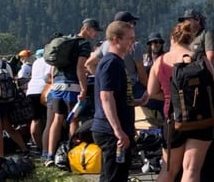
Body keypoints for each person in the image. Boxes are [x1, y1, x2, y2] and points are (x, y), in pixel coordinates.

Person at [148, 22, 214, 182]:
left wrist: (170, 98)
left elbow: (151, 92)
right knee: (191, 169)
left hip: (173, 120)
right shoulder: (199, 58)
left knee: (168, 169)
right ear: (192, 39)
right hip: (200, 120)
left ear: (172, 39)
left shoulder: (161, 61)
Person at [89, 20, 147, 182]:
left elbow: (117, 96)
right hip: (111, 132)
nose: (133, 42)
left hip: (109, 129)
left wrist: (135, 101)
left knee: (106, 181)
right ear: (115, 40)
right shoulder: (111, 63)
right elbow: (106, 98)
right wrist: (119, 131)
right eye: (129, 39)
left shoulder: (115, 63)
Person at [45, 18, 100, 166]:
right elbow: (80, 67)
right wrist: (84, 88)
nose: (96, 34)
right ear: (87, 28)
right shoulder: (84, 44)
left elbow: (53, 67)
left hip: (57, 84)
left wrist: (54, 82)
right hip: (72, 85)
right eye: (95, 30)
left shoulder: (67, 41)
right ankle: (71, 154)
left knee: (57, 119)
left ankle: (50, 155)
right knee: (73, 120)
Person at [86, 11, 148, 95]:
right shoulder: (134, 46)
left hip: (111, 88)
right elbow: (142, 75)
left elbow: (89, 64)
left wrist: (102, 79)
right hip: (130, 89)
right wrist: (147, 91)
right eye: (132, 23)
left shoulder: (105, 44)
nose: (133, 26)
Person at [25, 49, 50, 153]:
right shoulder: (49, 61)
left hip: (31, 90)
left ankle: (37, 145)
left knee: (35, 120)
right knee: (48, 121)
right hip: (43, 91)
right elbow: (47, 77)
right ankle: (46, 147)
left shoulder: (36, 62)